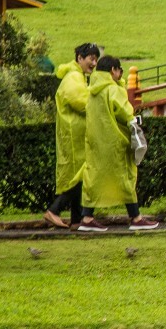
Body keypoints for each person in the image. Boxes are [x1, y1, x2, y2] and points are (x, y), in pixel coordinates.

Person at [82, 55, 158, 231]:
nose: (120, 74)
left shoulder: (91, 91)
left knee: (94, 177)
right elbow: (125, 111)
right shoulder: (113, 89)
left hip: (95, 141)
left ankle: (86, 217)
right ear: (112, 71)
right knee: (126, 176)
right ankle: (136, 217)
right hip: (115, 140)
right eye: (119, 70)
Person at [44, 42, 102, 230]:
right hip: (74, 136)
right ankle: (54, 210)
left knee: (81, 177)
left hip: (75, 135)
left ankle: (76, 220)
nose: (93, 63)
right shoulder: (73, 78)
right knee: (80, 177)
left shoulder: (77, 76)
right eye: (91, 59)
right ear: (79, 58)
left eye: (96, 59)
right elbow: (82, 102)